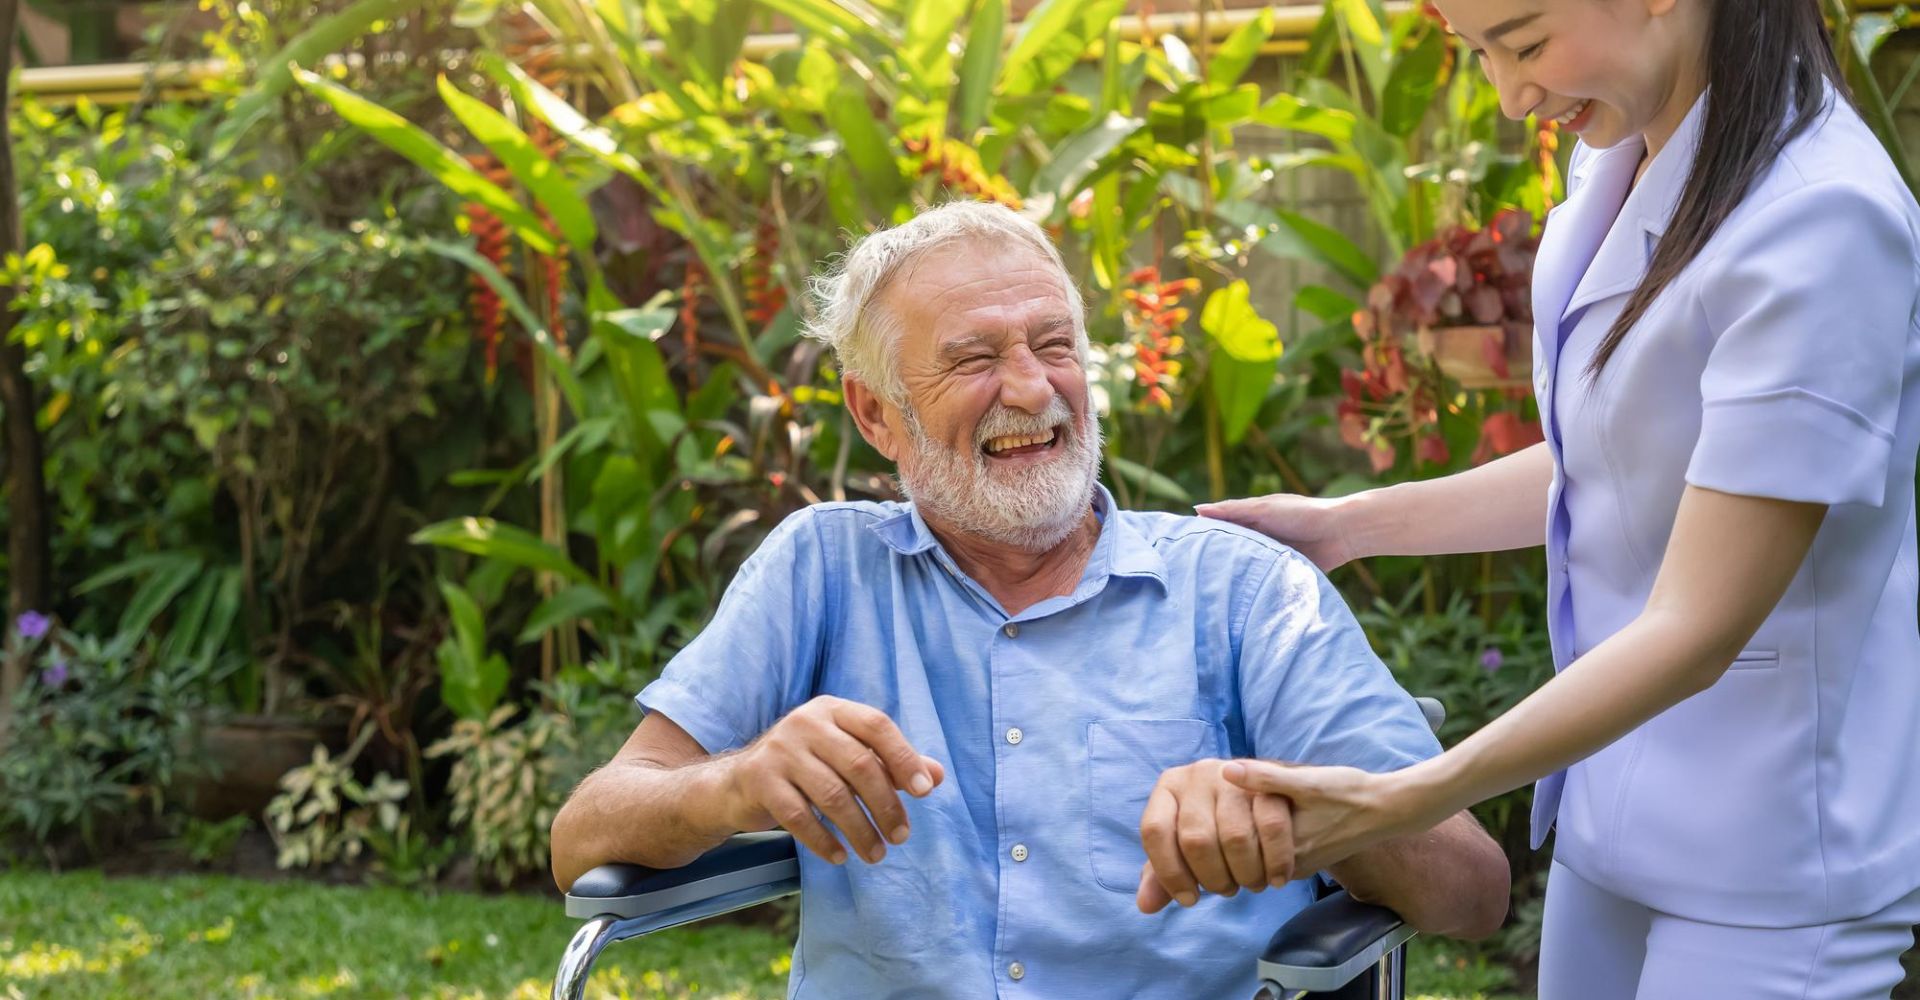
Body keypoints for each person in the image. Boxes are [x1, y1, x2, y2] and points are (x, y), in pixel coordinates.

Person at [548, 201, 1510, 999]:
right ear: (877, 412)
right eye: (974, 359)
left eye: (1055, 345)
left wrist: (1311, 812)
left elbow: (1472, 894)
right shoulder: (818, 569)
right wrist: (736, 781)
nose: (1030, 387)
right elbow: (584, 834)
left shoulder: (1243, 590)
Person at [1198, 0, 1920, 996]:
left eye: (1527, 42)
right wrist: (1345, 527)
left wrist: (1407, 798)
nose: (1509, 93)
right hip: (1614, 818)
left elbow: (1697, 625)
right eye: (1480, 51)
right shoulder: (1623, 150)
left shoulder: (1821, 217)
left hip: (1770, 857)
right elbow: (1617, 458)